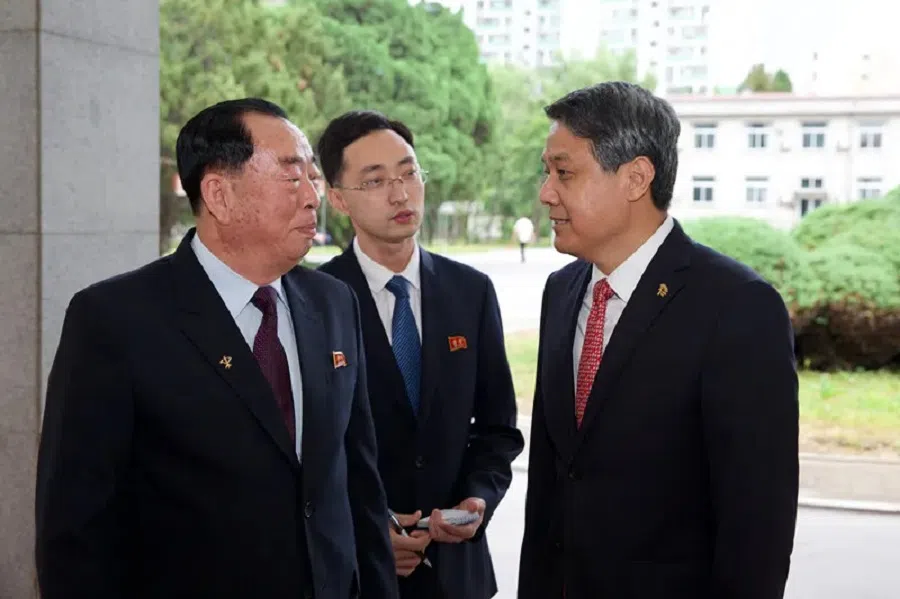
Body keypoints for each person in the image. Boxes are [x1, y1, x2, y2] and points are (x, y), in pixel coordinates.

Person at [35, 99, 399, 599]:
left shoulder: (333, 302)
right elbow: (76, 530)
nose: (312, 195)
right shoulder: (115, 320)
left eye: (312, 177)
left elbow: (359, 483)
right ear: (219, 195)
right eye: (292, 176)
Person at [518, 82, 799, 599]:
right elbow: (551, 485)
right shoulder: (562, 291)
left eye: (564, 172)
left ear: (635, 178)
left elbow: (757, 528)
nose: (545, 192)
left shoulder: (737, 306)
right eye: (546, 171)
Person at [316, 110, 525, 599]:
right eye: (375, 181)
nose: (400, 194)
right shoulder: (314, 298)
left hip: (457, 573)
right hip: (357, 574)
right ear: (337, 197)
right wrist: (366, 531)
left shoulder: (470, 290)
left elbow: (497, 428)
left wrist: (477, 499)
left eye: (409, 173)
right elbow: (310, 452)